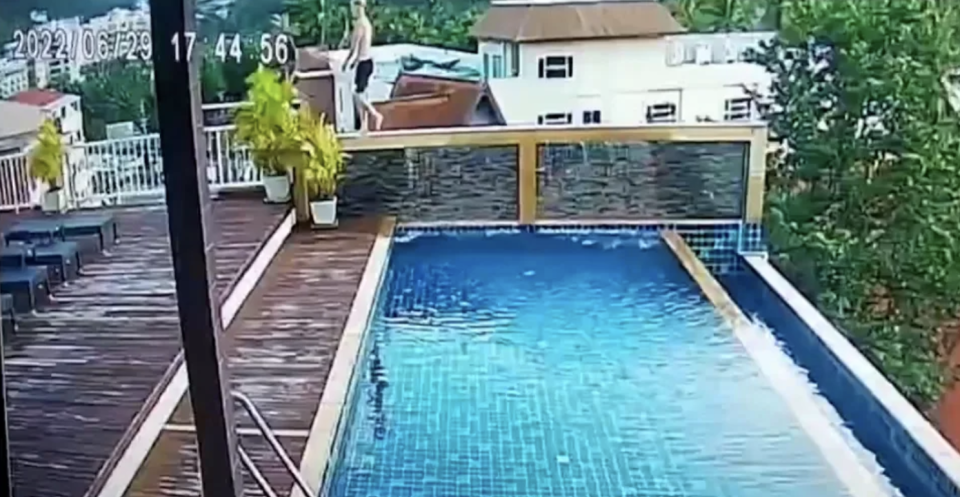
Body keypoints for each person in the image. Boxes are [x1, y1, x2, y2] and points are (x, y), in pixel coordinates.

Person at [341, 0, 383, 132]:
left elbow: (354, 47)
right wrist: (354, 62)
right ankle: (364, 126)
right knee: (362, 94)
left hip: (364, 63)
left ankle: (375, 114)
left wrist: (346, 63)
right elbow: (362, 48)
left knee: (357, 95)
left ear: (357, 7)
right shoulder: (367, 23)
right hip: (367, 61)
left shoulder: (360, 24)